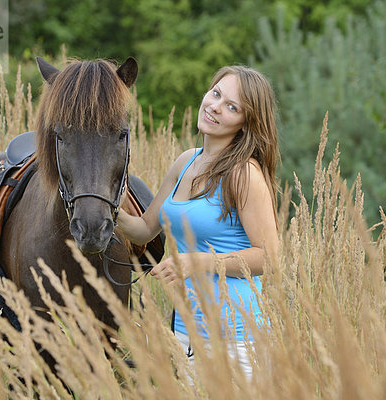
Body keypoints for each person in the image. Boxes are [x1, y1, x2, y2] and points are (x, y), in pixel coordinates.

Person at [116, 65, 280, 377]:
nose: (215, 106)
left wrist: (197, 262)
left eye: (232, 107)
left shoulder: (243, 173)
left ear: (246, 123)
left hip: (236, 335)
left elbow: (268, 258)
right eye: (216, 94)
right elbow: (143, 230)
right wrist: (105, 207)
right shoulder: (186, 161)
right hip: (186, 327)